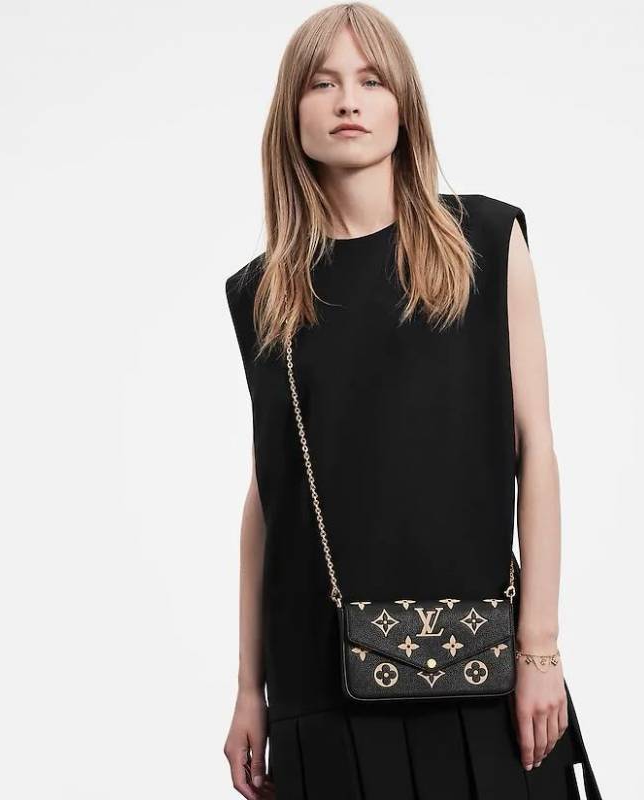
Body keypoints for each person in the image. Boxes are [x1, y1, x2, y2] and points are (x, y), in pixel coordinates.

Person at [223, 4, 603, 799]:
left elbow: (535, 449)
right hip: (318, 678)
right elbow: (269, 494)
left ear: (405, 105)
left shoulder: (485, 241)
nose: (348, 101)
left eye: (371, 81)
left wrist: (539, 648)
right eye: (322, 84)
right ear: (292, 113)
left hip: (483, 665)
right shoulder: (263, 293)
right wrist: (248, 688)